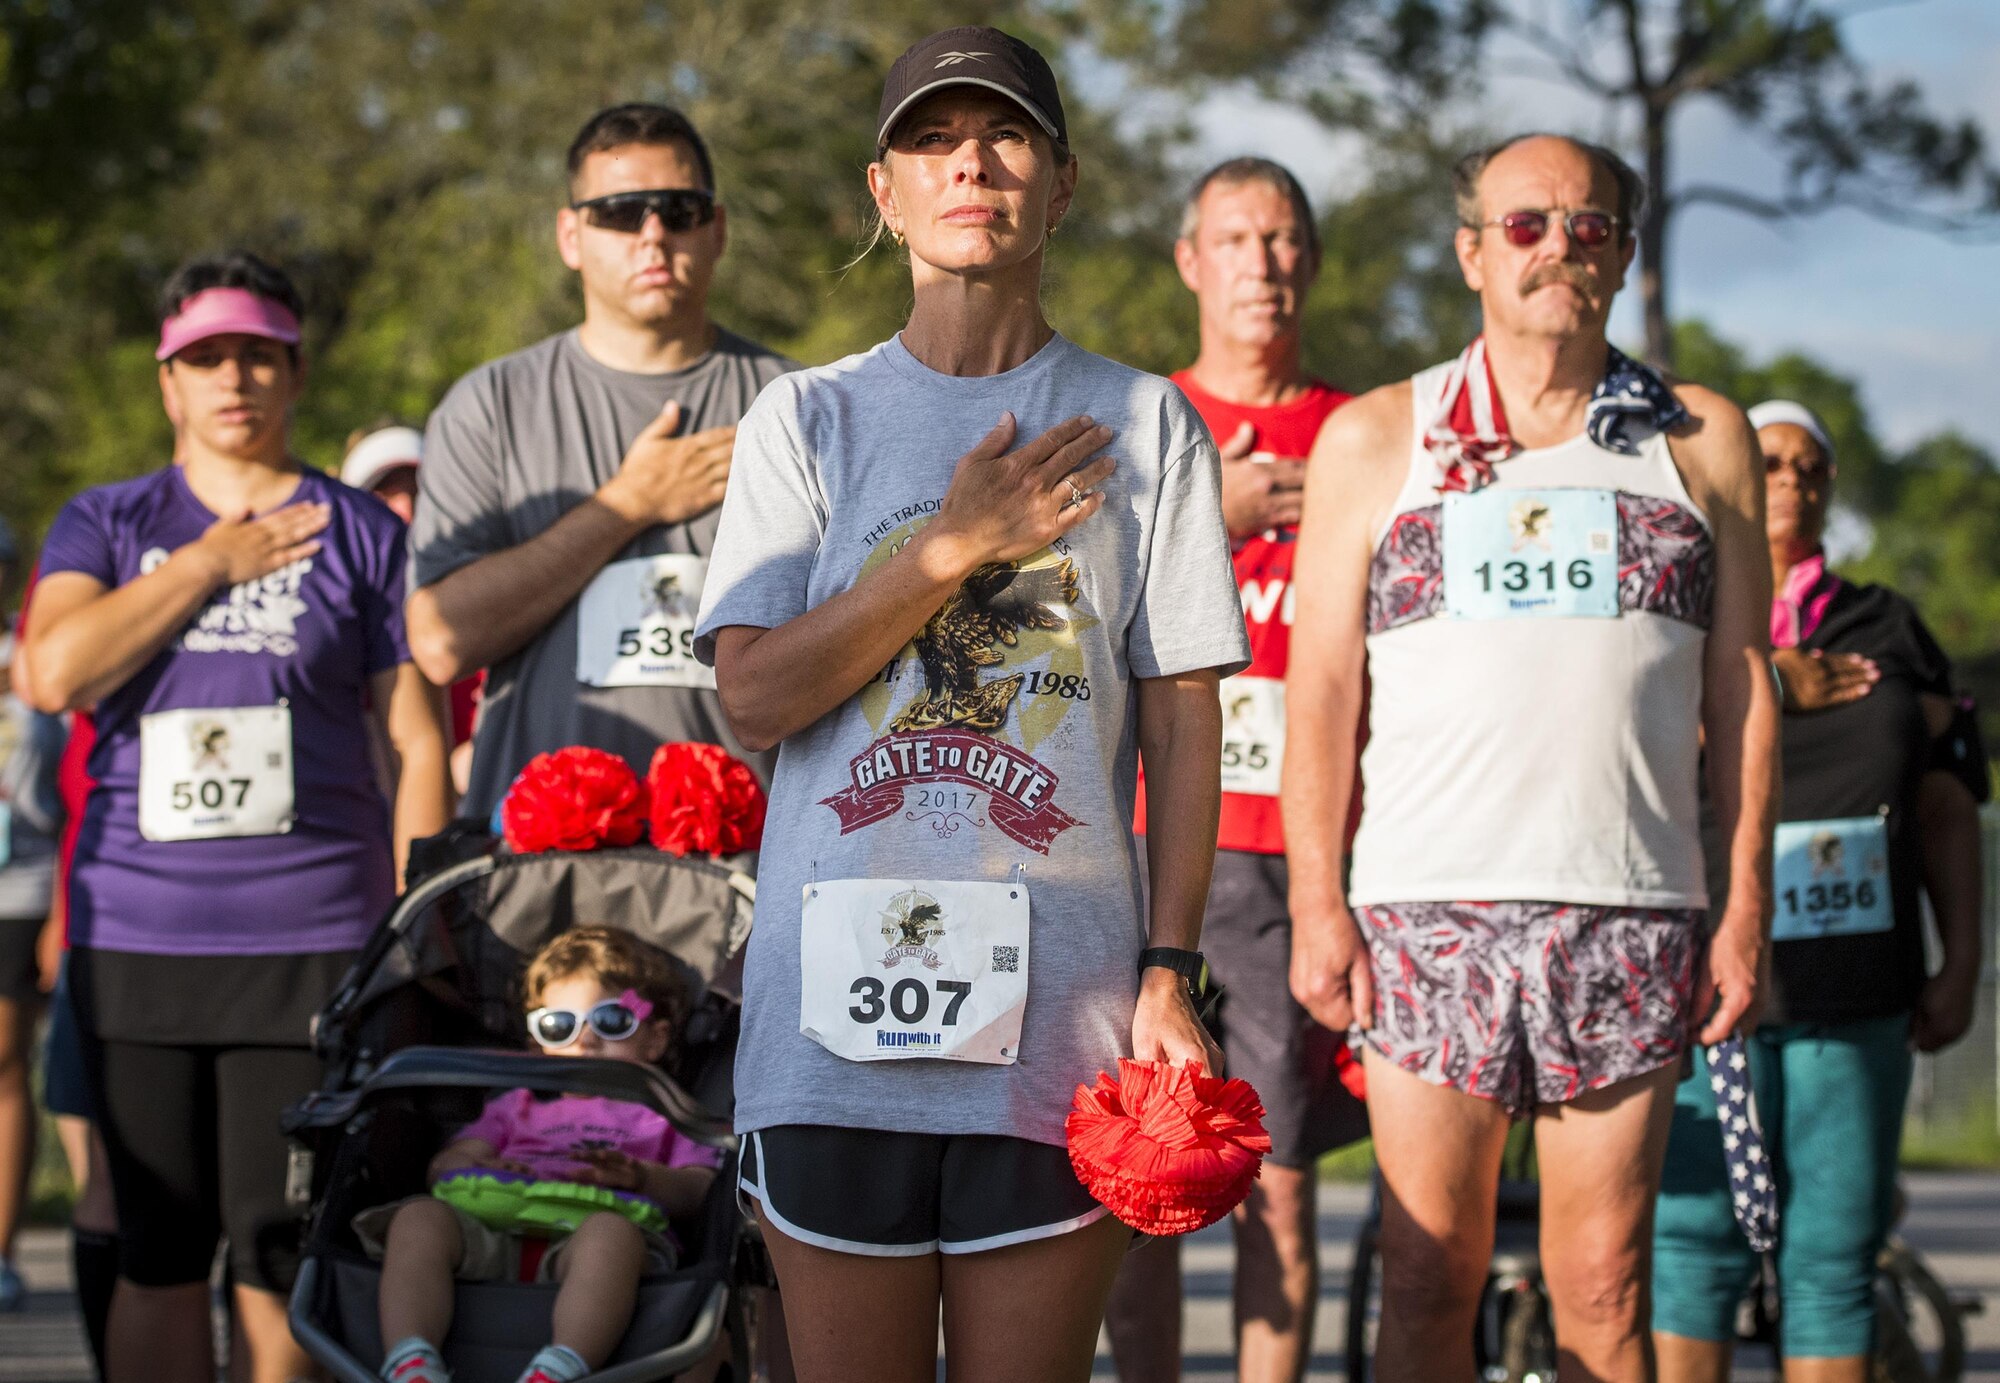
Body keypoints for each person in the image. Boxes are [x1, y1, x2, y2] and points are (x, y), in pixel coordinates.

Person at [694, 27, 1249, 1383]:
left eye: (1004, 136)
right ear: (885, 192)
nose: (971, 165)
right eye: (934, 140)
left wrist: (1169, 971)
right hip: (830, 1025)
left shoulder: (1146, 421)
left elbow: (1182, 727)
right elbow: (752, 698)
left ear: (1061, 184)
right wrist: (951, 547)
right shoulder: (805, 421)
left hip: (1065, 1016)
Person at [1284, 133, 1778, 1381]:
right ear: (1470, 253)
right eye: (1525, 225)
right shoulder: (1374, 436)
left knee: (1605, 1287)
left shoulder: (1702, 437)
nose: (1559, 246)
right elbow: (1322, 685)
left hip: (1630, 909)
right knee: (1422, 1273)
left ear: (1620, 254)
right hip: (1420, 910)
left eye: (1590, 226)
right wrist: (1313, 905)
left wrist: (1741, 908)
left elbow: (1743, 683)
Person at [22, 250, 454, 1383]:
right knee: (160, 1247)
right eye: (206, 357)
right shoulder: (107, 522)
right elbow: (55, 672)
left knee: (278, 1244)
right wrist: (208, 564)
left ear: (295, 372)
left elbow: (414, 737)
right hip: (141, 938)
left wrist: (412, 920)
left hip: (310, 940)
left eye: (259, 355)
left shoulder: (359, 530)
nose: (234, 378)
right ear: (168, 380)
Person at [1651, 402, 1987, 1382]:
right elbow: (1622, 747)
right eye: (1768, 462)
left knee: (1831, 1264)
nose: (1792, 480)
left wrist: (1957, 957)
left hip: (1852, 984)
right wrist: (1766, 683)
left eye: (1810, 467)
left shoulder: (1885, 626)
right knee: (1691, 1253)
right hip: (1707, 987)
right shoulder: (1676, 609)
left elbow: (1942, 803)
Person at [1107, 157, 1363, 1383]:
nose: (1259, 263)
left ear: (1307, 260)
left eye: (1280, 239)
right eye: (1234, 239)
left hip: (1285, 855)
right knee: (1141, 1177)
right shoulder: (1135, 422)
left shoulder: (1363, 435)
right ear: (1188, 262)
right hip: (1139, 850)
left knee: (1278, 1188)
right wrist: (1217, 504)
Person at [406, 102, 795, 822]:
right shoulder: (488, 404)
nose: (652, 234)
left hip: (752, 877)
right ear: (570, 235)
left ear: (718, 229)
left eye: (678, 210)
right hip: (536, 870)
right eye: (620, 212)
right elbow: (438, 644)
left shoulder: (801, 407)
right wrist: (627, 505)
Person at [361, 927, 721, 1383]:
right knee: (417, 1217)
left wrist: (642, 1178)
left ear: (655, 1039)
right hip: (493, 1229)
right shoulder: (516, 1106)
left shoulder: (665, 1113)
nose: (585, 1042)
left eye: (611, 1022)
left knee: (610, 1236)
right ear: (537, 1045)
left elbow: (700, 1189)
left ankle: (561, 1366)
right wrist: (481, 1164)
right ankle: (412, 1359)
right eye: (559, 1026)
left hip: (594, 1236)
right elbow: (443, 1168)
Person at [345, 419, 483, 795]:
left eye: (421, 493)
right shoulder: (333, 632)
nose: (404, 510)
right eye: (384, 496)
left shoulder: (487, 615)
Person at [0, 526, 65, 1311]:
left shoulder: (36, 657)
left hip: (19, 889)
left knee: (6, 1062)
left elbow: (66, 781)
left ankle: (3, 1248)